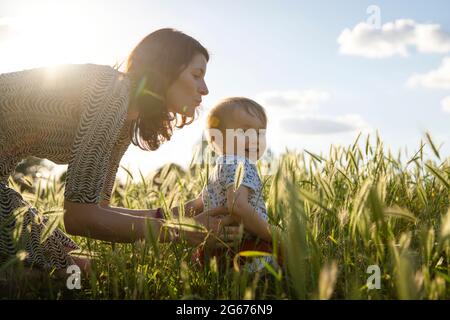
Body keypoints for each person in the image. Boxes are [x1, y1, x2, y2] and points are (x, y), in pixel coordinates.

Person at [0, 28, 240, 272]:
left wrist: (177, 213)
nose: (205, 89)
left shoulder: (126, 118)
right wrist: (178, 230)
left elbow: (98, 210)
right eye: (197, 74)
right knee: (70, 270)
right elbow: (79, 218)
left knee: (82, 268)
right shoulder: (111, 92)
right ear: (166, 68)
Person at [173, 97, 281, 271]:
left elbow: (198, 206)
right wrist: (274, 236)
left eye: (260, 133)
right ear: (217, 139)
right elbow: (237, 206)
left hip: (215, 249)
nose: (254, 139)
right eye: (245, 132)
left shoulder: (217, 171)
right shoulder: (241, 164)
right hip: (247, 247)